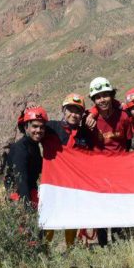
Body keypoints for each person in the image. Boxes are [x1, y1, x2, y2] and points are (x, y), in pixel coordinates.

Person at [84, 77, 133, 245]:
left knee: (119, 208)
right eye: (98, 97)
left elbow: (126, 143)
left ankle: (120, 244)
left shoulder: (124, 117)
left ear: (112, 95)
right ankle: (104, 245)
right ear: (93, 100)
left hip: (120, 171)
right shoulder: (89, 120)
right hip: (99, 173)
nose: (102, 100)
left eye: (105, 95)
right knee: (102, 210)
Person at [42, 93, 93, 247]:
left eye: (78, 111)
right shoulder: (51, 127)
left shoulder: (85, 134)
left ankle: (71, 249)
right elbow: (30, 129)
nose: (73, 114)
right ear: (63, 110)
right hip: (53, 183)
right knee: (49, 219)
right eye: (70, 110)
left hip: (74, 185)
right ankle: (44, 250)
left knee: (72, 217)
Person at [6, 106, 48, 208]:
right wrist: (27, 207)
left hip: (30, 189)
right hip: (19, 193)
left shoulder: (33, 145)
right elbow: (21, 180)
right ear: (26, 127)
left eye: (42, 127)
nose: (38, 130)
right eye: (35, 126)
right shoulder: (20, 149)